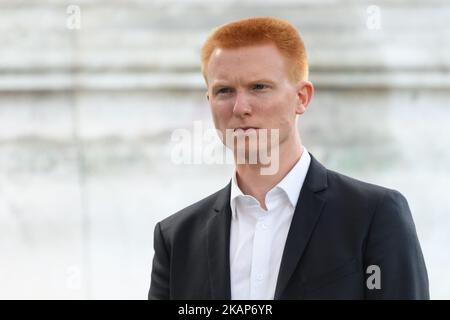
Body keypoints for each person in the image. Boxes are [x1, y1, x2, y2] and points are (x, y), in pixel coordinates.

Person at [148, 17, 429, 299]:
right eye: (224, 91)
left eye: (259, 87)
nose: (240, 107)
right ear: (209, 101)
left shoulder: (374, 215)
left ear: (302, 98)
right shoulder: (176, 238)